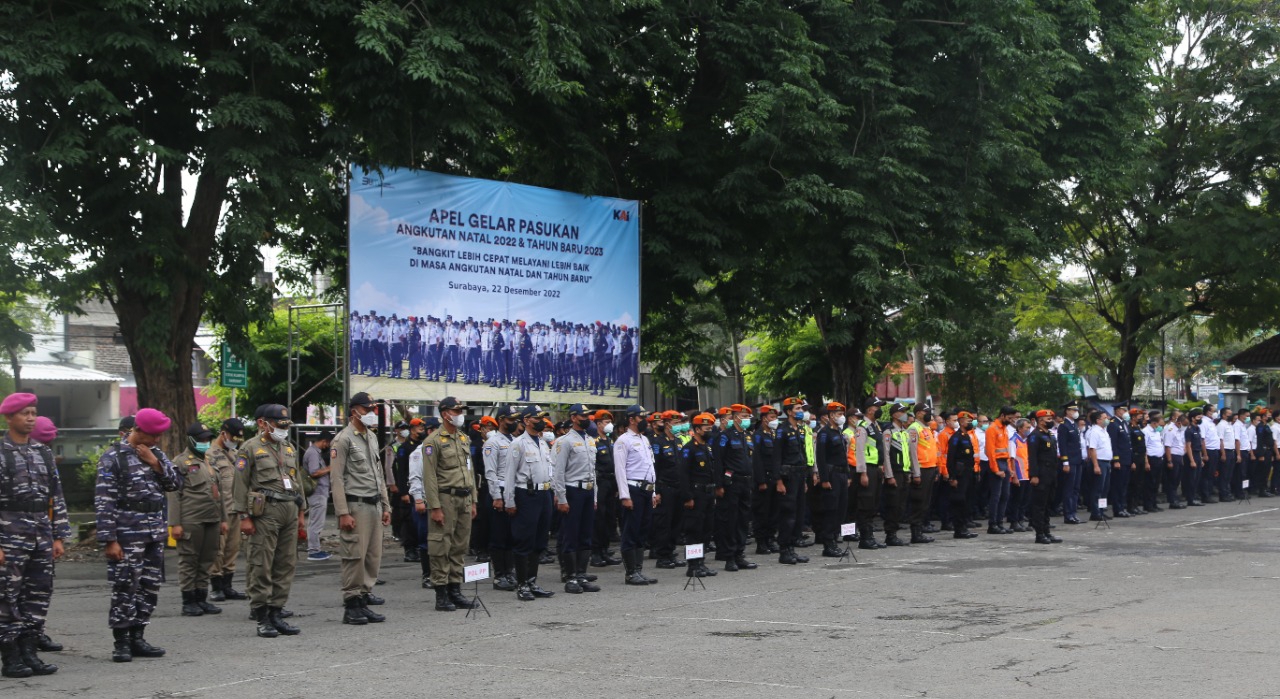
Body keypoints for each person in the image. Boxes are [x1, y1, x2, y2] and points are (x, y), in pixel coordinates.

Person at [96, 407, 180, 662]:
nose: (156, 440)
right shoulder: (113, 457)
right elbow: (104, 500)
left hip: (154, 532)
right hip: (127, 533)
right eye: (152, 435)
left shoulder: (157, 455)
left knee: (149, 586)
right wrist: (110, 539)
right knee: (125, 586)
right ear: (137, 430)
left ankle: (138, 636)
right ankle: (121, 641)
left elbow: (175, 484)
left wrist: (155, 464)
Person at [0, 393, 70, 677]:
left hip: (41, 533)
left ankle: (30, 651)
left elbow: (57, 495)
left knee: (39, 594)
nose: (30, 418)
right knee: (7, 596)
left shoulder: (42, 452)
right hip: (9, 535)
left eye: (33, 413)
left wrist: (59, 536)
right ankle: (11, 656)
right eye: (24, 413)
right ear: (9, 418)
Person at [234, 404, 305, 638]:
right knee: (261, 563)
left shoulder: (288, 447)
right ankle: (261, 615)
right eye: (278, 424)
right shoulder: (250, 448)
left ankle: (276, 611)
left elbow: (297, 482)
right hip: (265, 511)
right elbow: (240, 485)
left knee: (285, 564)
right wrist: (243, 517)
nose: (283, 429)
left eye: (285, 425)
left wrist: (302, 511)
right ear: (263, 423)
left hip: (289, 508)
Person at [330, 393, 392, 625]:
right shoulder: (342, 439)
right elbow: (336, 479)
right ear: (354, 411)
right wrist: (342, 512)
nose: (371, 414)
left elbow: (379, 475)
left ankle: (364, 598)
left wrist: (386, 505)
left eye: (373, 409)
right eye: (367, 410)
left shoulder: (372, 438)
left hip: (374, 503)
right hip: (355, 505)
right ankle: (352, 604)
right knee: (354, 555)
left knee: (372, 556)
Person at [413, 397, 479, 611]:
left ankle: (455, 590)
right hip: (445, 498)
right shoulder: (432, 441)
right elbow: (430, 477)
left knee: (460, 546)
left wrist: (474, 500)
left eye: (461, 410)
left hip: (464, 498)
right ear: (445, 414)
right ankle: (441, 593)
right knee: (441, 545)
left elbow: (470, 471)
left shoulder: (463, 438)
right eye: (456, 410)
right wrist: (435, 507)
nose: (460, 414)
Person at [168, 423, 226, 617]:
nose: (205, 442)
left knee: (208, 559)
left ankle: (201, 598)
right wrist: (175, 524)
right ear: (191, 440)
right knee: (189, 559)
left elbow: (220, 493)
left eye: (207, 439)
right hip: (191, 519)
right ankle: (188, 600)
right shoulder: (181, 462)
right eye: (201, 439)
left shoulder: (209, 460)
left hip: (212, 517)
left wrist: (224, 519)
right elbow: (174, 494)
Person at [504, 405, 557, 598]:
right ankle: (522, 585)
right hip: (526, 494)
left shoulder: (543, 443)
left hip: (544, 494)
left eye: (543, 417)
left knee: (539, 541)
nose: (541, 421)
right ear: (526, 420)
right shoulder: (518, 444)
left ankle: (532, 582)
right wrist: (509, 500)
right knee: (524, 540)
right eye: (537, 418)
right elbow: (509, 474)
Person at [551, 404, 601, 593]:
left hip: (587, 491)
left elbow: (592, 472)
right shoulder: (564, 441)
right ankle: (570, 577)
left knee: (585, 534)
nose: (586, 418)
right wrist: (561, 498)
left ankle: (581, 574)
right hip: (572, 491)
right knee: (570, 534)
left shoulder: (589, 440)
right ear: (573, 418)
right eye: (583, 415)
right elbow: (558, 472)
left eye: (588, 415)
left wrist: (594, 496)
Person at [613, 405, 659, 584]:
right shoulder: (623, 440)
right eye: (642, 418)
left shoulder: (645, 439)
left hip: (646, 490)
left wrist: (654, 491)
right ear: (631, 419)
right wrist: (625, 496)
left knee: (642, 531)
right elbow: (620, 470)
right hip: (633, 490)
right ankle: (630, 572)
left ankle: (638, 570)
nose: (645, 421)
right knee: (630, 531)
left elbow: (650, 467)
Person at [208, 419, 248, 601]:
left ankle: (228, 585)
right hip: (220, 510)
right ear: (223, 433)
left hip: (236, 508)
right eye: (232, 437)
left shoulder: (235, 453)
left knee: (233, 548)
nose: (235, 441)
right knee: (218, 548)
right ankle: (216, 586)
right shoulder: (210, 454)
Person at [715, 403, 757, 571]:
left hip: (746, 482)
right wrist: (718, 485)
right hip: (732, 483)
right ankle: (730, 557)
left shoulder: (746, 436)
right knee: (731, 520)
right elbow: (718, 461)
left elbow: (750, 460)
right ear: (735, 417)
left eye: (748, 417)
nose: (746, 420)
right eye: (744, 416)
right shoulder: (726, 436)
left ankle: (740, 554)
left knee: (743, 520)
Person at [484, 406, 520, 591]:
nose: (514, 422)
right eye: (510, 419)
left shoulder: (516, 440)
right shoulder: (493, 442)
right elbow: (490, 472)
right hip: (500, 490)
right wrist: (496, 496)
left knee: (512, 534)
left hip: (514, 492)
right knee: (499, 535)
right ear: (501, 420)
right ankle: (500, 575)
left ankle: (510, 571)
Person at [678, 413, 718, 577]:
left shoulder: (707, 448)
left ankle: (701, 562)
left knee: (706, 530)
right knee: (694, 531)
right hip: (696, 494)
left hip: (708, 493)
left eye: (710, 428)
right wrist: (688, 497)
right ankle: (693, 565)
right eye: (706, 428)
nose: (709, 431)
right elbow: (683, 474)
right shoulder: (689, 449)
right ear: (696, 429)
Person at [851, 398, 888, 549]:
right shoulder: (862, 426)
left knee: (873, 503)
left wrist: (882, 466)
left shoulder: (875, 426)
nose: (879, 409)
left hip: (875, 468)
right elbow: (859, 451)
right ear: (868, 409)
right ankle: (865, 537)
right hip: (866, 468)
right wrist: (862, 472)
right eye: (877, 406)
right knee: (865, 503)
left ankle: (870, 535)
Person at [815, 402, 850, 557]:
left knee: (841, 510)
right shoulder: (825, 433)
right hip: (832, 476)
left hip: (842, 474)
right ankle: (828, 544)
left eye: (842, 414)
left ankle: (835, 539)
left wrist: (848, 475)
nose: (841, 417)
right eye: (837, 414)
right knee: (831, 509)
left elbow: (844, 456)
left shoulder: (839, 433)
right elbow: (821, 458)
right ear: (830, 416)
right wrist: (824, 479)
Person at [649, 411, 683, 569]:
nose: (678, 426)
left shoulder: (678, 441)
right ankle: (662, 555)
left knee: (676, 523)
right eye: (675, 423)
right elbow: (655, 468)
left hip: (678, 487)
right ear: (667, 424)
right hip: (665, 487)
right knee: (664, 523)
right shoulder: (658, 443)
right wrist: (656, 491)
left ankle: (670, 552)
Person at [590, 410, 623, 568]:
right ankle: (596, 552)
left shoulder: (610, 441)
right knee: (599, 518)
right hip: (600, 482)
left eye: (609, 421)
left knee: (610, 517)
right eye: (605, 422)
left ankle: (605, 550)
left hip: (611, 482)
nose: (608, 424)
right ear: (598, 424)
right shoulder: (594, 441)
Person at [884, 403, 919, 546]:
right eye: (902, 411)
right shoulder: (889, 432)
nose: (905, 414)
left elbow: (911, 455)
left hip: (904, 472)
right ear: (894, 415)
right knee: (893, 504)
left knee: (901, 505)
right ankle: (890, 534)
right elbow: (886, 455)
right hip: (895, 472)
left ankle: (895, 532)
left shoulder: (905, 433)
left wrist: (912, 472)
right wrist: (889, 475)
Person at [1027, 410, 1063, 544]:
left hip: (1051, 474)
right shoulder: (1035, 436)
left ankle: (1047, 531)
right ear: (1041, 420)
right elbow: (1032, 458)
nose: (1051, 421)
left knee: (1048, 504)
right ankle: (1039, 534)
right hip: (1041, 475)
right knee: (1039, 506)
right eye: (1048, 418)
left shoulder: (1050, 435)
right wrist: (1034, 475)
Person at [944, 411, 980, 540]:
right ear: (961, 422)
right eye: (968, 421)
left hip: (968, 473)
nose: (970, 423)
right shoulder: (956, 437)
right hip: (959, 474)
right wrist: (952, 477)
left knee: (966, 501)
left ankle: (964, 527)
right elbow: (951, 458)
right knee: (959, 501)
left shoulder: (966, 436)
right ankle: (959, 529)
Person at [907, 405, 939, 544]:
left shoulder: (926, 428)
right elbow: (912, 452)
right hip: (921, 469)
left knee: (926, 502)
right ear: (919, 413)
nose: (929, 415)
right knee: (918, 501)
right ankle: (916, 533)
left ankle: (920, 530)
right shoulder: (914, 428)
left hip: (930, 468)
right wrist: (916, 472)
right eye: (926, 412)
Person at [752, 405, 780, 555]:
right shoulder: (758, 435)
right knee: (762, 511)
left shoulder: (774, 435)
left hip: (775, 478)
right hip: (764, 479)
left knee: (774, 511)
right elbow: (757, 460)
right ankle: (761, 542)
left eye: (775, 417)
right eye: (772, 418)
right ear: (764, 419)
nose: (774, 420)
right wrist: (761, 480)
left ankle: (770, 538)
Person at [303, 430, 333, 562]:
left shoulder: (315, 453)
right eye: (328, 443)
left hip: (320, 492)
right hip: (317, 492)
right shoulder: (313, 453)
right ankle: (314, 551)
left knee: (314, 521)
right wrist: (330, 468)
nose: (328, 446)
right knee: (316, 522)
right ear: (324, 441)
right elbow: (314, 472)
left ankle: (315, 548)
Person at [1085, 410, 1114, 522]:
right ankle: (1095, 512)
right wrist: (1096, 465)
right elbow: (1092, 449)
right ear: (1098, 420)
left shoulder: (1104, 431)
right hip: (1099, 462)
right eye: (1104, 417)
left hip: (1106, 462)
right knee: (1097, 489)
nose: (1107, 419)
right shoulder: (1094, 432)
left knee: (1104, 490)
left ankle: (1101, 511)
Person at [1057, 402, 1084, 525]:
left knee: (1076, 488)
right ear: (1067, 411)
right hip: (1070, 461)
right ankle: (1068, 514)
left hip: (1077, 460)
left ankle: (1073, 513)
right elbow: (1063, 446)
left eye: (1076, 410)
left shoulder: (1073, 425)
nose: (1076, 412)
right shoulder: (1064, 426)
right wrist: (1065, 462)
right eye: (1073, 410)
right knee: (1069, 488)